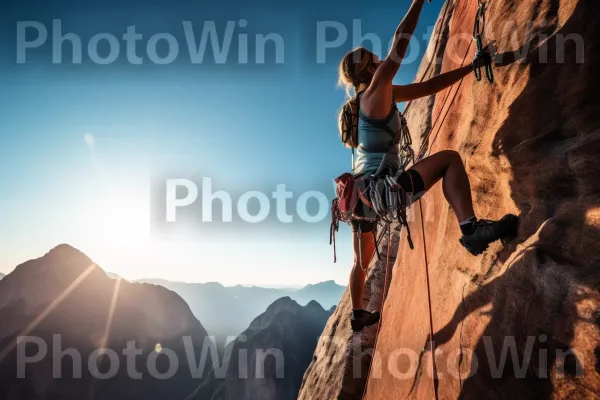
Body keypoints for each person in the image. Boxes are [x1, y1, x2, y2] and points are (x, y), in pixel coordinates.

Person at [337, 0, 519, 333]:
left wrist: (470, 68)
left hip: (360, 200)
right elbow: (400, 44)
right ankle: (471, 231)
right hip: (380, 192)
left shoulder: (377, 97)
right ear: (369, 69)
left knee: (361, 263)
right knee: (449, 159)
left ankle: (358, 313)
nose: (381, 59)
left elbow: (428, 88)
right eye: (373, 58)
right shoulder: (376, 90)